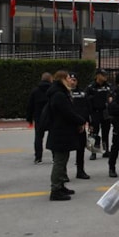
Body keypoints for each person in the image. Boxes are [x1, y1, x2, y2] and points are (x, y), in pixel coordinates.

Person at [46, 70, 87, 201]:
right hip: (60, 133)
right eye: (68, 78)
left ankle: (61, 185)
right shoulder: (59, 95)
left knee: (63, 160)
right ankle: (55, 189)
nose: (71, 80)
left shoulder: (62, 93)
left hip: (63, 132)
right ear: (63, 79)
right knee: (59, 161)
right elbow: (67, 112)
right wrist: (80, 121)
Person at [69, 73, 91, 180]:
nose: (72, 82)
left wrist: (86, 122)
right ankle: (63, 173)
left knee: (81, 149)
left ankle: (80, 170)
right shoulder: (65, 93)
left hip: (81, 125)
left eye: (74, 80)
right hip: (69, 125)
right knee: (65, 150)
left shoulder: (82, 93)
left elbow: (87, 108)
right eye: (71, 79)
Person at [26, 72, 52, 165]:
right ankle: (54, 156)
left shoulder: (35, 90)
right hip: (51, 116)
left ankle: (38, 157)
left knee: (38, 137)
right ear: (50, 79)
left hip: (39, 117)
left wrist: (29, 118)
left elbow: (30, 105)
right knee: (52, 136)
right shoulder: (53, 90)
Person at [86, 69, 112, 159]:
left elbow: (112, 96)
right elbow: (87, 100)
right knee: (94, 133)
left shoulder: (108, 86)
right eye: (103, 75)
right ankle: (94, 152)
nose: (105, 77)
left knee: (106, 132)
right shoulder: (91, 87)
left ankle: (105, 150)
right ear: (97, 76)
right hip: (95, 112)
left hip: (105, 112)